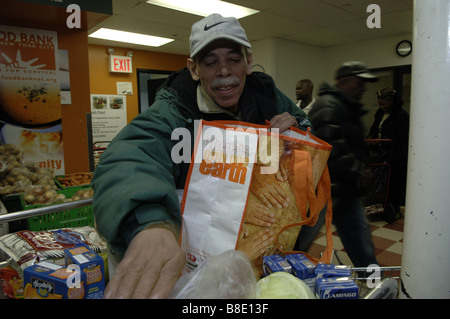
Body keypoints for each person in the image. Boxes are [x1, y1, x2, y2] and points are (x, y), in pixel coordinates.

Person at [91, 13, 312, 299]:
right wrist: (150, 224)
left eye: (233, 59)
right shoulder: (173, 112)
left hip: (259, 252)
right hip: (192, 261)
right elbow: (129, 158)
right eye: (210, 62)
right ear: (193, 69)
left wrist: (298, 131)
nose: (223, 71)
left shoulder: (267, 96)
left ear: (248, 61)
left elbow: (305, 126)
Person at [307, 61, 379, 267]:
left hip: (342, 189)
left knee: (359, 238)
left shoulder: (346, 107)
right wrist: (358, 170)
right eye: (359, 82)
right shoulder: (329, 105)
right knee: (298, 238)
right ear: (344, 82)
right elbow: (331, 147)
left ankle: (374, 281)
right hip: (327, 189)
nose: (363, 88)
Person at [367, 87, 409, 218]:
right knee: (378, 184)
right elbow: (374, 129)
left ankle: (392, 210)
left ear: (393, 101)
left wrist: (380, 141)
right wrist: (371, 139)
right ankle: (377, 208)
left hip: (395, 156)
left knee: (394, 185)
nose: (382, 104)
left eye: (384, 102)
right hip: (380, 155)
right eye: (380, 101)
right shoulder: (380, 113)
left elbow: (400, 137)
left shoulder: (402, 116)